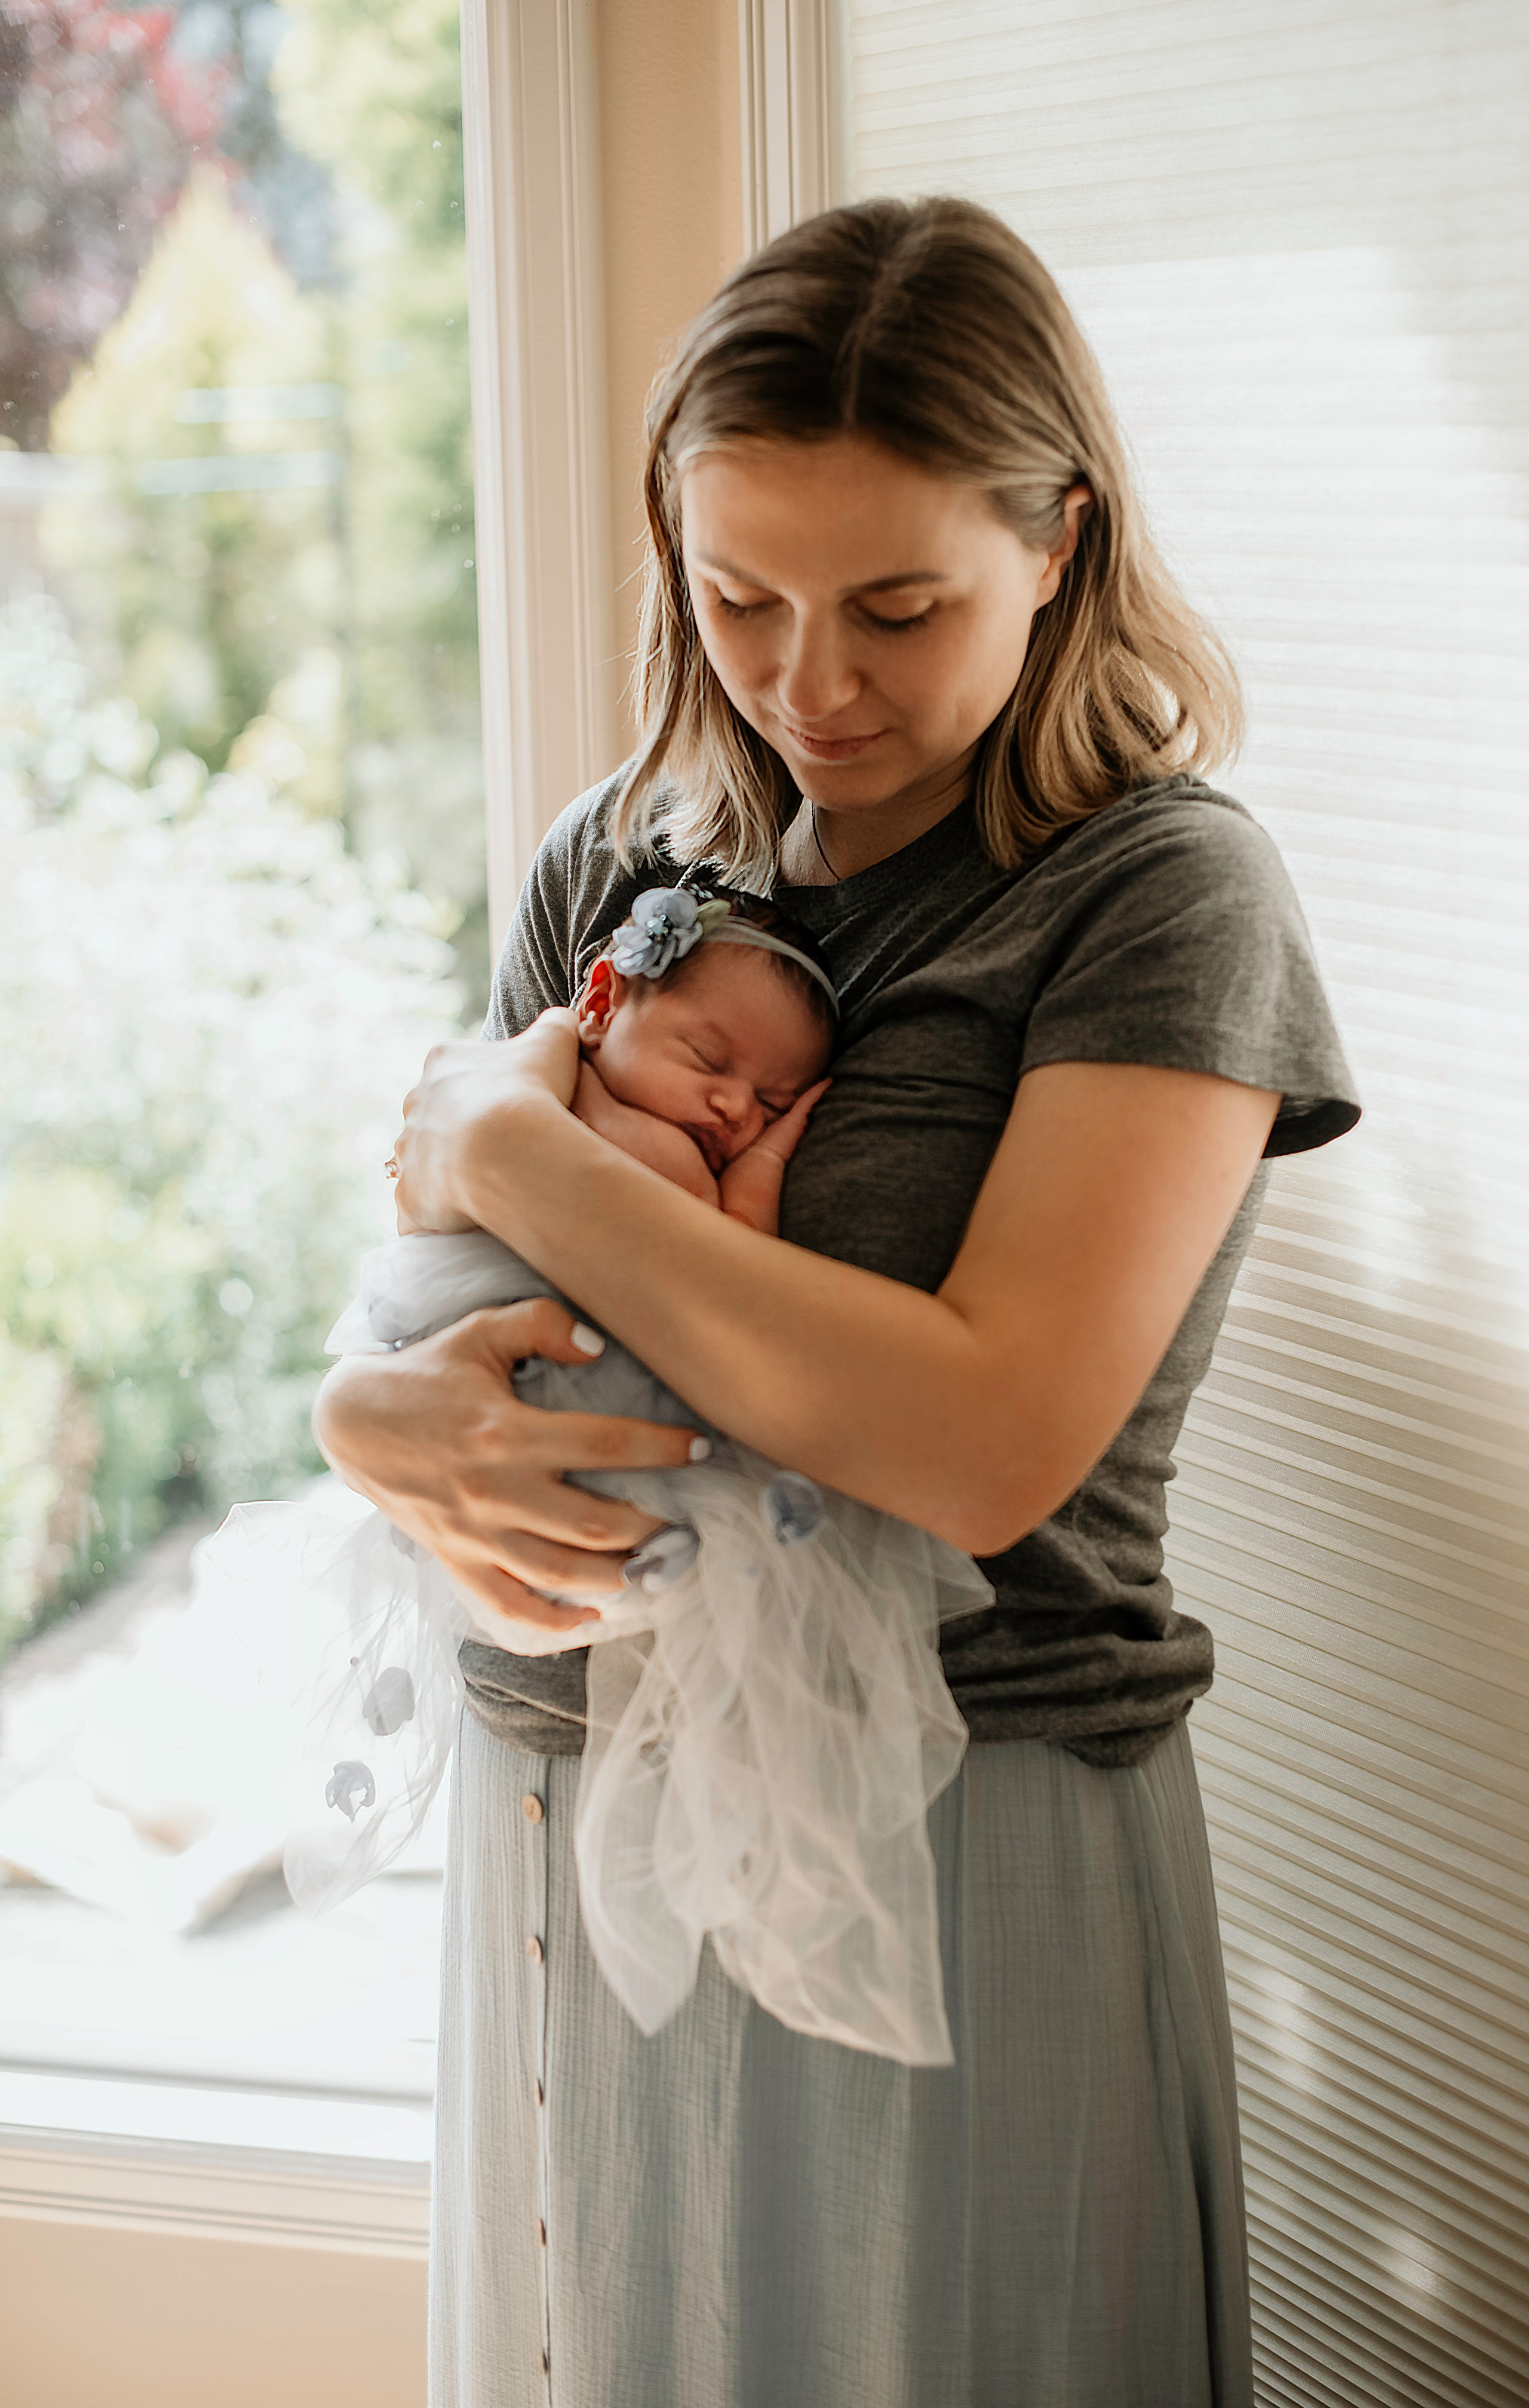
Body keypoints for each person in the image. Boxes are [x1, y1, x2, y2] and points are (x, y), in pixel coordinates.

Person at [317, 195, 1361, 2408]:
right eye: (739, 596)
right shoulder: (616, 856)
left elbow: (982, 1438)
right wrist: (362, 1422)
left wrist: (501, 1136)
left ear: (1059, 542)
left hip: (972, 1833)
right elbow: (440, 1319)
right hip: (570, 1789)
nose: (808, 683)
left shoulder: (1161, 894)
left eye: (900, 605)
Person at [244, 885, 981, 2064]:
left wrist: (772, 1157)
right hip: (478, 1371)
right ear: (597, 1001)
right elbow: (426, 1201)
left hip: (629, 1427)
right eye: (709, 1059)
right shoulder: (544, 1091)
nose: (733, 1105)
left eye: (774, 1099)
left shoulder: (638, 1138)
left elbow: (741, 1261)